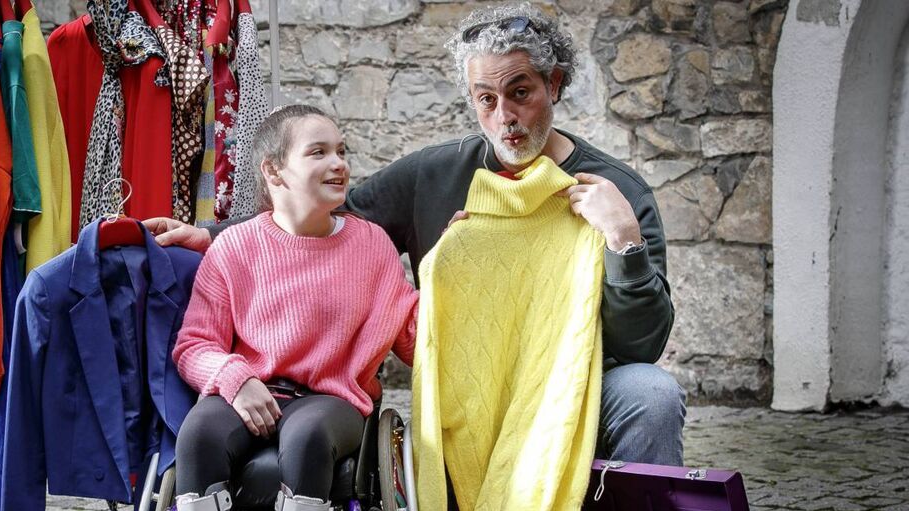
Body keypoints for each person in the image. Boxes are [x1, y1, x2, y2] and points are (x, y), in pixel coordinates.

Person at [145, 2, 685, 470]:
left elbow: (643, 345)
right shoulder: (434, 174)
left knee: (652, 393)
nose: (505, 117)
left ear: (556, 85)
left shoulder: (616, 191)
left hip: (573, 384)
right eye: (486, 99)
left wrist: (624, 242)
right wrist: (216, 235)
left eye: (520, 93)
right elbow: (328, 214)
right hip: (466, 385)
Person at [157, 105, 418, 511]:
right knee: (199, 433)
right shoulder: (235, 247)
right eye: (319, 152)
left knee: (305, 435)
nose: (339, 163)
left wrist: (450, 275)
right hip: (251, 389)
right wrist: (234, 376)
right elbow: (194, 345)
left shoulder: (371, 246)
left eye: (342, 150)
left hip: (332, 398)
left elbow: (410, 338)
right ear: (274, 172)